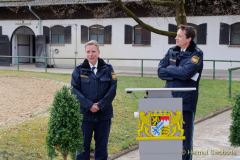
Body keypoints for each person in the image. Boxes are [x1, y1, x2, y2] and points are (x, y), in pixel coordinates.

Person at [158, 25, 203, 160]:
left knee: (184, 138)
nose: (176, 38)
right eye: (176, 35)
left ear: (188, 39)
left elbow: (186, 73)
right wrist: (178, 71)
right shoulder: (171, 50)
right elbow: (160, 71)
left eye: (179, 36)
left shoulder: (196, 54)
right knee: (168, 135)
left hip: (185, 102)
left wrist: (170, 69)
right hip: (168, 99)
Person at [71, 40, 117, 160]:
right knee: (82, 147)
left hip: (104, 115)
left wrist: (100, 105)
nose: (91, 54)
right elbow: (74, 90)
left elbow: (113, 89)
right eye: (88, 52)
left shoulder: (108, 69)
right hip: (85, 116)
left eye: (93, 51)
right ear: (85, 53)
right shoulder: (79, 70)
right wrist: (89, 105)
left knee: (102, 147)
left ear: (98, 52)